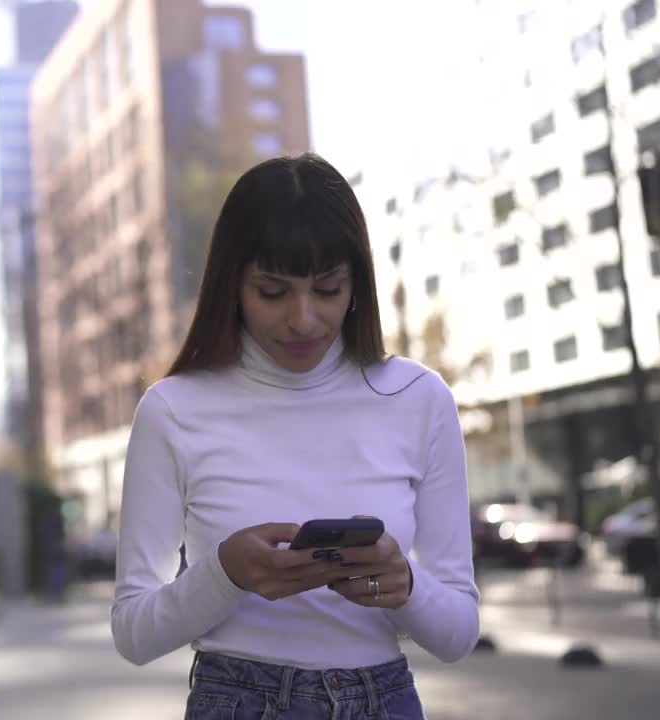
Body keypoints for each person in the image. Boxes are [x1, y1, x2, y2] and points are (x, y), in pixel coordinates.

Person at [111, 154, 478, 720]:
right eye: (273, 292)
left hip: (383, 699)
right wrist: (226, 574)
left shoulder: (418, 398)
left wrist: (403, 583)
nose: (303, 319)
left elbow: (457, 634)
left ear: (356, 283)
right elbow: (134, 632)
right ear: (231, 285)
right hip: (234, 699)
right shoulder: (173, 410)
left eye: (327, 289)